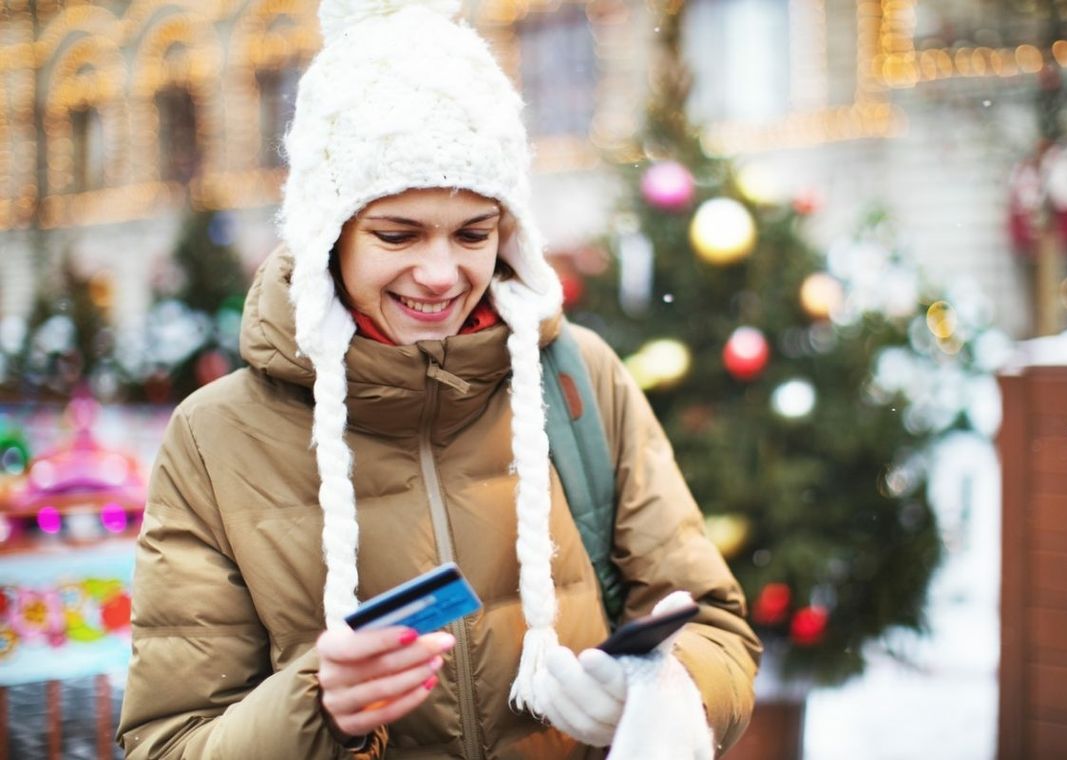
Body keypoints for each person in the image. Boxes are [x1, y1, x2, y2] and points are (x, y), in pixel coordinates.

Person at [117, 0, 760, 757]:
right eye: (398, 234)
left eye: (473, 234)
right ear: (330, 236)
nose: (440, 273)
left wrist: (667, 696)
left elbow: (715, 625)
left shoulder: (580, 378)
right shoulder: (214, 441)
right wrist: (316, 707)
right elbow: (167, 741)